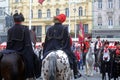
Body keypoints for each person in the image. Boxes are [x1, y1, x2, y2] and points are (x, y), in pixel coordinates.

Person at [43, 13, 81, 79]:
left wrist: (45, 51)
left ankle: (40, 73)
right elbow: (68, 42)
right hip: (62, 49)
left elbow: (46, 42)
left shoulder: (49, 29)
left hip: (49, 50)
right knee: (74, 58)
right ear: (62, 21)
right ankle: (76, 73)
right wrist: (66, 49)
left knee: (42, 59)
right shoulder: (64, 29)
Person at [6, 13, 41, 78]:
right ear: (21, 21)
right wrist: (31, 53)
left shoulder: (10, 30)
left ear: (14, 20)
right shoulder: (25, 29)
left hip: (11, 51)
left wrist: (7, 51)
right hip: (22, 51)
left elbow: (9, 43)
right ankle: (32, 75)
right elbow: (28, 43)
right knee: (35, 59)